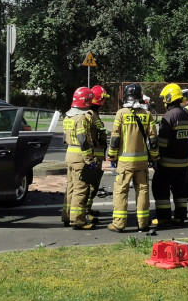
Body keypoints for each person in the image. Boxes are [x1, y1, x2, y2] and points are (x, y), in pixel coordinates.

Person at [107, 83, 157, 232]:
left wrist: (112, 156)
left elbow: (115, 138)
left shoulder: (121, 113)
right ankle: (143, 223)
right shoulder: (147, 115)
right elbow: (153, 140)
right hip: (141, 162)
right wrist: (154, 158)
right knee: (142, 190)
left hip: (124, 162)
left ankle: (119, 224)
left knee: (121, 191)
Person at [152, 83, 188, 227]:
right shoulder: (186, 114)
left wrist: (154, 150)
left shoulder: (169, 116)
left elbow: (163, 142)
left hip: (168, 162)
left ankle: (163, 218)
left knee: (160, 188)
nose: (163, 101)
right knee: (180, 190)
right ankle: (180, 217)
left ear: (170, 97)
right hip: (183, 161)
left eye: (164, 98)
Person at [62, 86, 100, 229]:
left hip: (69, 153)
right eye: (89, 101)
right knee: (80, 188)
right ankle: (78, 221)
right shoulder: (81, 118)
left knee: (70, 187)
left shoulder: (67, 116)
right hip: (79, 155)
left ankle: (67, 216)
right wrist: (89, 159)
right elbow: (83, 140)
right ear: (85, 101)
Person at [83, 85, 110, 220]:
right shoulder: (89, 116)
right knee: (90, 184)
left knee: (94, 184)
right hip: (93, 157)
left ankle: (88, 209)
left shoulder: (95, 115)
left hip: (98, 156)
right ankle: (85, 211)